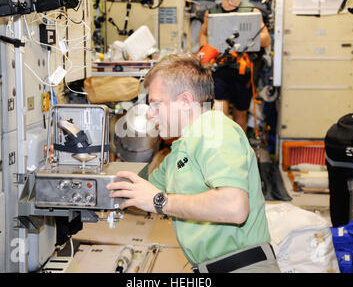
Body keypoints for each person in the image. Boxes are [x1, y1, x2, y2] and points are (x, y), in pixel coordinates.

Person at [106, 54, 280, 273]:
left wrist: (160, 201)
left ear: (186, 101)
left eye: (156, 104)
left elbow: (234, 207)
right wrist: (80, 173)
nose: (150, 115)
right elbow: (136, 194)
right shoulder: (179, 152)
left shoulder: (214, 129)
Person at [199, 0, 271, 133]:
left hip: (242, 72)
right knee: (220, 118)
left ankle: (239, 152)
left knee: (240, 118)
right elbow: (203, 35)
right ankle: (222, 152)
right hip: (220, 72)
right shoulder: (212, 13)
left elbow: (266, 39)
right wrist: (208, 51)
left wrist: (248, 40)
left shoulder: (252, 12)